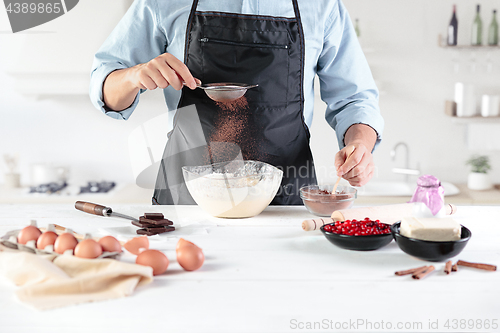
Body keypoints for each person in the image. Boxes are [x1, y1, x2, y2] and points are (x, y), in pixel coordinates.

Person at [90, 0, 384, 205]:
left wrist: (360, 145)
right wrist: (132, 76)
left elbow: (355, 98)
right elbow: (105, 88)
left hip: (284, 199)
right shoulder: (164, 1)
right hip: (189, 201)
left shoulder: (321, 6)